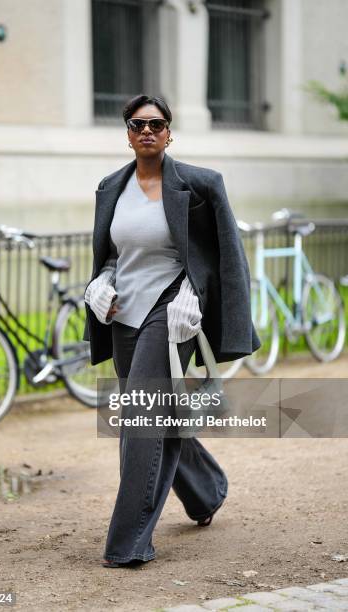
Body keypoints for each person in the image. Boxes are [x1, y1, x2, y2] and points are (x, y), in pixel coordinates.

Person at [83, 94, 260, 568]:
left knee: (139, 421)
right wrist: (97, 283)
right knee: (158, 414)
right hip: (122, 314)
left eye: (156, 124)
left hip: (173, 311)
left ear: (169, 132)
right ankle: (207, 491)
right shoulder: (110, 187)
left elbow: (225, 256)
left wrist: (194, 295)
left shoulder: (200, 185)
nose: (147, 130)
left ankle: (127, 543)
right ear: (127, 132)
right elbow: (112, 255)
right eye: (138, 124)